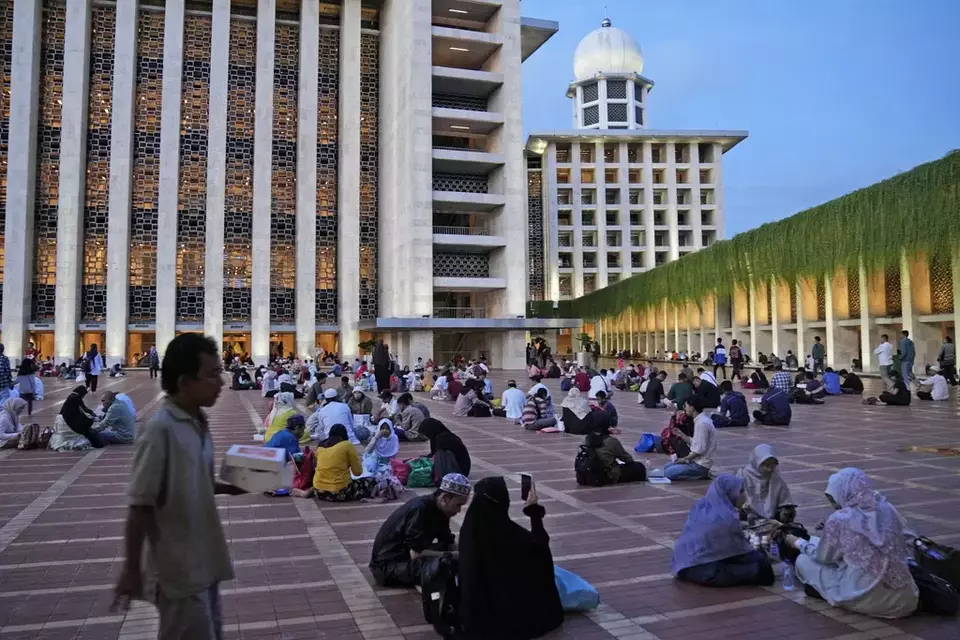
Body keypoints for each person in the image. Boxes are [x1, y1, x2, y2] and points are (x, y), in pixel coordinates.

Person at [114, 334, 245, 637]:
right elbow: (140, 503)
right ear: (185, 381)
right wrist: (132, 568)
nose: (222, 382)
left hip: (204, 559)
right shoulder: (162, 430)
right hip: (178, 570)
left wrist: (230, 486)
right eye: (212, 374)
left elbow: (190, 484)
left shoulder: (197, 421)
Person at [788, 468, 918, 618]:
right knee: (822, 544)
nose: (835, 505)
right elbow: (906, 537)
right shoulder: (886, 507)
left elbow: (823, 558)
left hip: (868, 598)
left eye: (833, 499)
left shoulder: (840, 519)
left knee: (803, 560)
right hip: (905, 600)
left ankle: (830, 592)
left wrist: (798, 543)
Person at [458, 476, 564, 640]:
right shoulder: (509, 535)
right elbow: (541, 550)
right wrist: (534, 512)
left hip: (477, 618)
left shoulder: (469, 530)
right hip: (513, 619)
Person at [369, 474, 471, 587]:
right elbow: (416, 554)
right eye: (458, 505)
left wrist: (466, 555)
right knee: (447, 564)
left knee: (460, 560)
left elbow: (448, 541)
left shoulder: (440, 509)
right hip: (387, 567)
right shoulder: (420, 510)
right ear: (445, 498)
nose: (459, 510)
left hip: (405, 557)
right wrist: (452, 555)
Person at [672, 475, 774, 587]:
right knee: (761, 569)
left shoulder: (702, 507)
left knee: (754, 559)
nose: (744, 495)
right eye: (741, 491)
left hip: (684, 564)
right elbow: (740, 551)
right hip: (703, 569)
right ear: (729, 494)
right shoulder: (725, 518)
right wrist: (761, 556)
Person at [298, 424, 376, 502]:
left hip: (319, 491)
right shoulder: (347, 445)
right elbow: (358, 472)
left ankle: (308, 492)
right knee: (372, 482)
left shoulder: (320, 446)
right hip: (339, 492)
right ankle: (372, 498)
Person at [662, 397, 716, 481]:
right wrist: (681, 435)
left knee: (668, 473)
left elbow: (700, 450)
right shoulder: (700, 420)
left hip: (700, 465)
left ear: (692, 407)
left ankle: (701, 474)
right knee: (667, 466)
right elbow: (696, 443)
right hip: (695, 461)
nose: (685, 409)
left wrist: (685, 459)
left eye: (686, 406)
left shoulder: (702, 423)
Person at [736, 444, 792, 521]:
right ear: (756, 462)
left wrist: (785, 512)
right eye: (766, 465)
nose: (769, 469)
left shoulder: (776, 478)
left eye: (772, 465)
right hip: (746, 518)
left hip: (771, 521)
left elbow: (785, 502)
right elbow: (734, 499)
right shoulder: (743, 475)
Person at [585, 415, 647, 483]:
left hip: (586, 474)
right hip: (606, 475)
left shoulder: (586, 439)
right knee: (639, 467)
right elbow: (628, 459)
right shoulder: (611, 441)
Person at [52, 385, 103, 450]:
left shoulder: (72, 397)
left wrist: (92, 416)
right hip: (66, 423)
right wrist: (92, 418)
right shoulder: (76, 398)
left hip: (61, 420)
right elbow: (83, 410)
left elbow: (82, 411)